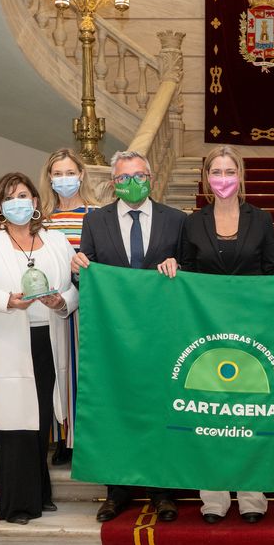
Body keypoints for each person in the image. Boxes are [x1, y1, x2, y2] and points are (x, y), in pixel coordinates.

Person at [160, 145, 274, 524]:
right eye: (216, 172)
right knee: (211, 412)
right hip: (206, 331)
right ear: (206, 177)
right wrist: (172, 266)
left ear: (240, 176)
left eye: (230, 172)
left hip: (253, 330)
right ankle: (213, 496)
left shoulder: (260, 219)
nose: (223, 179)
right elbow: (189, 273)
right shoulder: (192, 222)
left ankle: (251, 495)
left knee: (250, 413)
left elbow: (269, 267)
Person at [0, 172, 79, 524]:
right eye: (10, 197)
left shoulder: (55, 241)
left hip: (49, 339)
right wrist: (7, 300)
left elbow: (74, 288)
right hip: (6, 343)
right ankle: (18, 504)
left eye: (24, 195)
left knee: (41, 421)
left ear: (36, 202)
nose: (18, 202)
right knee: (14, 424)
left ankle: (41, 491)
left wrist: (61, 301)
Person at [72, 150, 186, 523]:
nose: (131, 183)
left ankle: (163, 490)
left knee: (163, 405)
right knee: (115, 408)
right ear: (112, 183)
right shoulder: (96, 222)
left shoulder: (177, 220)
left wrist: (178, 267)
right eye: (123, 178)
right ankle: (116, 491)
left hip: (163, 334)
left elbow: (191, 276)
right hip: (116, 336)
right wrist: (78, 267)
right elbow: (86, 274)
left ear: (151, 178)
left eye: (138, 176)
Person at [37, 148, 98, 466]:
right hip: (50, 306)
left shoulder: (97, 214)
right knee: (55, 373)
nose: (64, 179)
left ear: (82, 175)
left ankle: (81, 437)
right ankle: (59, 438)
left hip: (87, 306)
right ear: (49, 178)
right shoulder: (41, 220)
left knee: (81, 373)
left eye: (69, 173)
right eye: (57, 174)